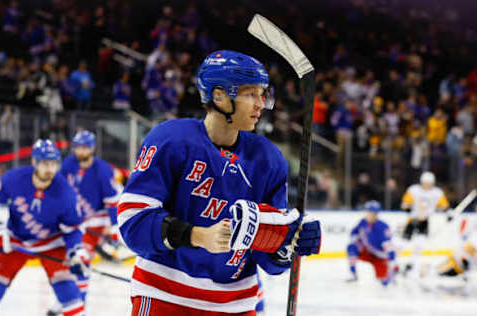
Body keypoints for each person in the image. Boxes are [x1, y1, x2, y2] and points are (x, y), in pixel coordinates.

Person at [117, 50, 322, 315]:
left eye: (263, 94)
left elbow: (269, 258)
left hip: (236, 305)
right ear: (219, 96)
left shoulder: (268, 159)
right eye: (251, 94)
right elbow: (133, 221)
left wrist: (288, 243)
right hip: (164, 295)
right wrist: (197, 236)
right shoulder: (171, 139)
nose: (260, 104)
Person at [0, 139, 88, 316]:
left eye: (53, 163)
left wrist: (75, 252)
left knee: (70, 295)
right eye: (45, 163)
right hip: (16, 240)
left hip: (50, 243)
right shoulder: (12, 179)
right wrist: (0, 231)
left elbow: (73, 228)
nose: (49, 168)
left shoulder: (66, 192)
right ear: (34, 162)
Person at [47, 130, 122, 315]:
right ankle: (65, 299)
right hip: (74, 221)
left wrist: (114, 229)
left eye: (84, 148)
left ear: (92, 148)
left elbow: (112, 203)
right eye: (77, 147)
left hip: (95, 223)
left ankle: (80, 304)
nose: (80, 151)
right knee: (64, 262)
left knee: (80, 261)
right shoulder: (69, 163)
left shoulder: (103, 170)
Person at [401, 171, 450, 276]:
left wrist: (448, 213)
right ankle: (396, 264)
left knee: (420, 244)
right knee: (403, 242)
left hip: (426, 222)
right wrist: (412, 211)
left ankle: (410, 263)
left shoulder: (437, 193)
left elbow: (444, 206)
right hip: (413, 220)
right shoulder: (414, 190)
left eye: (429, 183)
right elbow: (405, 204)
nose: (427, 185)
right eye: (425, 183)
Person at [346, 200, 397, 286]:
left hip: (380, 257)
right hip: (368, 252)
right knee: (351, 247)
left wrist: (392, 263)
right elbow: (354, 232)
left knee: (384, 282)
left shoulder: (382, 227)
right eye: (368, 212)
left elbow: (389, 247)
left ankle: (389, 276)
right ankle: (353, 273)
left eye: (372, 212)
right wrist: (355, 239)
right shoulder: (363, 222)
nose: (369, 214)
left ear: (376, 214)